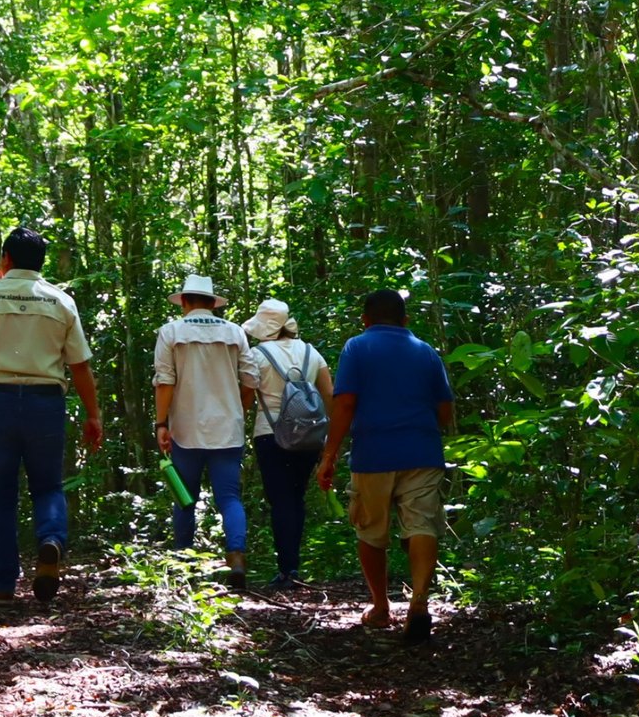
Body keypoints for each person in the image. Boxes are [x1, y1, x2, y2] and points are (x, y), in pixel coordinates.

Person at [0, 228, 104, 606]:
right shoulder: (60, 301)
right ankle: (50, 541)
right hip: (44, 401)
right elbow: (80, 366)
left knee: (1, 493)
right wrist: (93, 415)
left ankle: (3, 584)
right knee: (47, 486)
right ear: (41, 262)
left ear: (6, 259)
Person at [316, 288, 456, 644]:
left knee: (370, 530)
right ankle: (419, 602)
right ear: (405, 320)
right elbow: (445, 411)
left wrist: (329, 456)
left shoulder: (357, 347)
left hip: (373, 454)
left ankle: (380, 607)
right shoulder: (426, 352)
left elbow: (345, 403)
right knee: (422, 524)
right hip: (422, 452)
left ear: (365, 319)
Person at [153, 273, 258, 590]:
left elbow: (165, 381)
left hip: (186, 428)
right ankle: (236, 555)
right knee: (229, 498)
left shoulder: (171, 332)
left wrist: (161, 423)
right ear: (213, 303)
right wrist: (236, 409)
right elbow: (251, 379)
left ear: (184, 301)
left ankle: (183, 563)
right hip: (227, 429)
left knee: (184, 497)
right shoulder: (235, 332)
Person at [243, 297, 334, 591]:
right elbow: (329, 394)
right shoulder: (311, 352)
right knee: (296, 497)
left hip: (271, 434)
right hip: (309, 436)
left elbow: (246, 395)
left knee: (280, 500)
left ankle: (286, 570)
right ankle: (293, 565)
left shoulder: (258, 355)